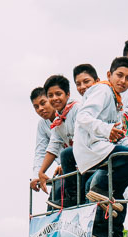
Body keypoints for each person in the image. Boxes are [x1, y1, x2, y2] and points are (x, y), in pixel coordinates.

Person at [75, 57, 128, 237]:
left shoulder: (117, 100)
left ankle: (108, 227)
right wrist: (106, 129)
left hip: (104, 147)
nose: (123, 81)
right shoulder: (102, 90)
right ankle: (100, 187)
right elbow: (83, 117)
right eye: (119, 75)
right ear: (109, 75)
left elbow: (120, 138)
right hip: (93, 149)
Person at [34, 74, 81, 208]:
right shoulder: (57, 120)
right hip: (73, 166)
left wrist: (64, 164)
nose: (54, 98)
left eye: (58, 94)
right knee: (54, 197)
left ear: (67, 94)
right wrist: (41, 172)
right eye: (50, 96)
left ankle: (73, 198)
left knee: (66, 154)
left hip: (87, 160)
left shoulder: (77, 109)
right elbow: (52, 146)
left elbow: (81, 141)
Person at [29, 88, 55, 192]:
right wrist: (36, 175)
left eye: (43, 103)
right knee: (53, 202)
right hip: (64, 169)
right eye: (36, 107)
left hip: (80, 164)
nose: (40, 109)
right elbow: (40, 151)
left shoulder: (67, 114)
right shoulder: (42, 124)